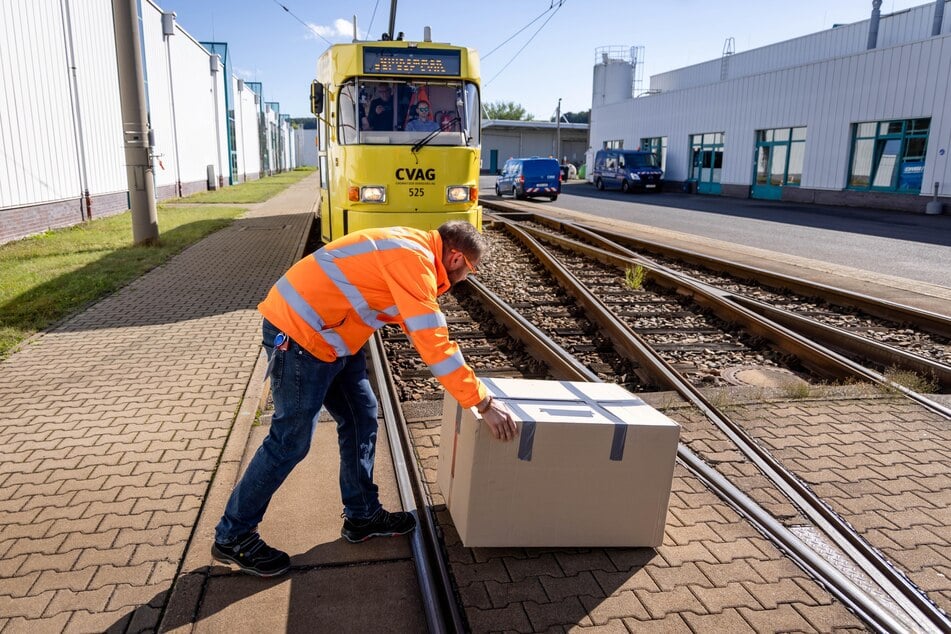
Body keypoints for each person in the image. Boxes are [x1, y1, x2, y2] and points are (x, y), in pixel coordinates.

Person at [211, 221, 517, 577]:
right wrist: (482, 402)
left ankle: (362, 515)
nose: (466, 278)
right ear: (454, 256)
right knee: (291, 441)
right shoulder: (414, 259)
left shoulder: (414, 251)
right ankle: (233, 535)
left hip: (334, 335)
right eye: (469, 270)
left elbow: (410, 319)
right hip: (300, 334)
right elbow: (433, 341)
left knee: (362, 414)